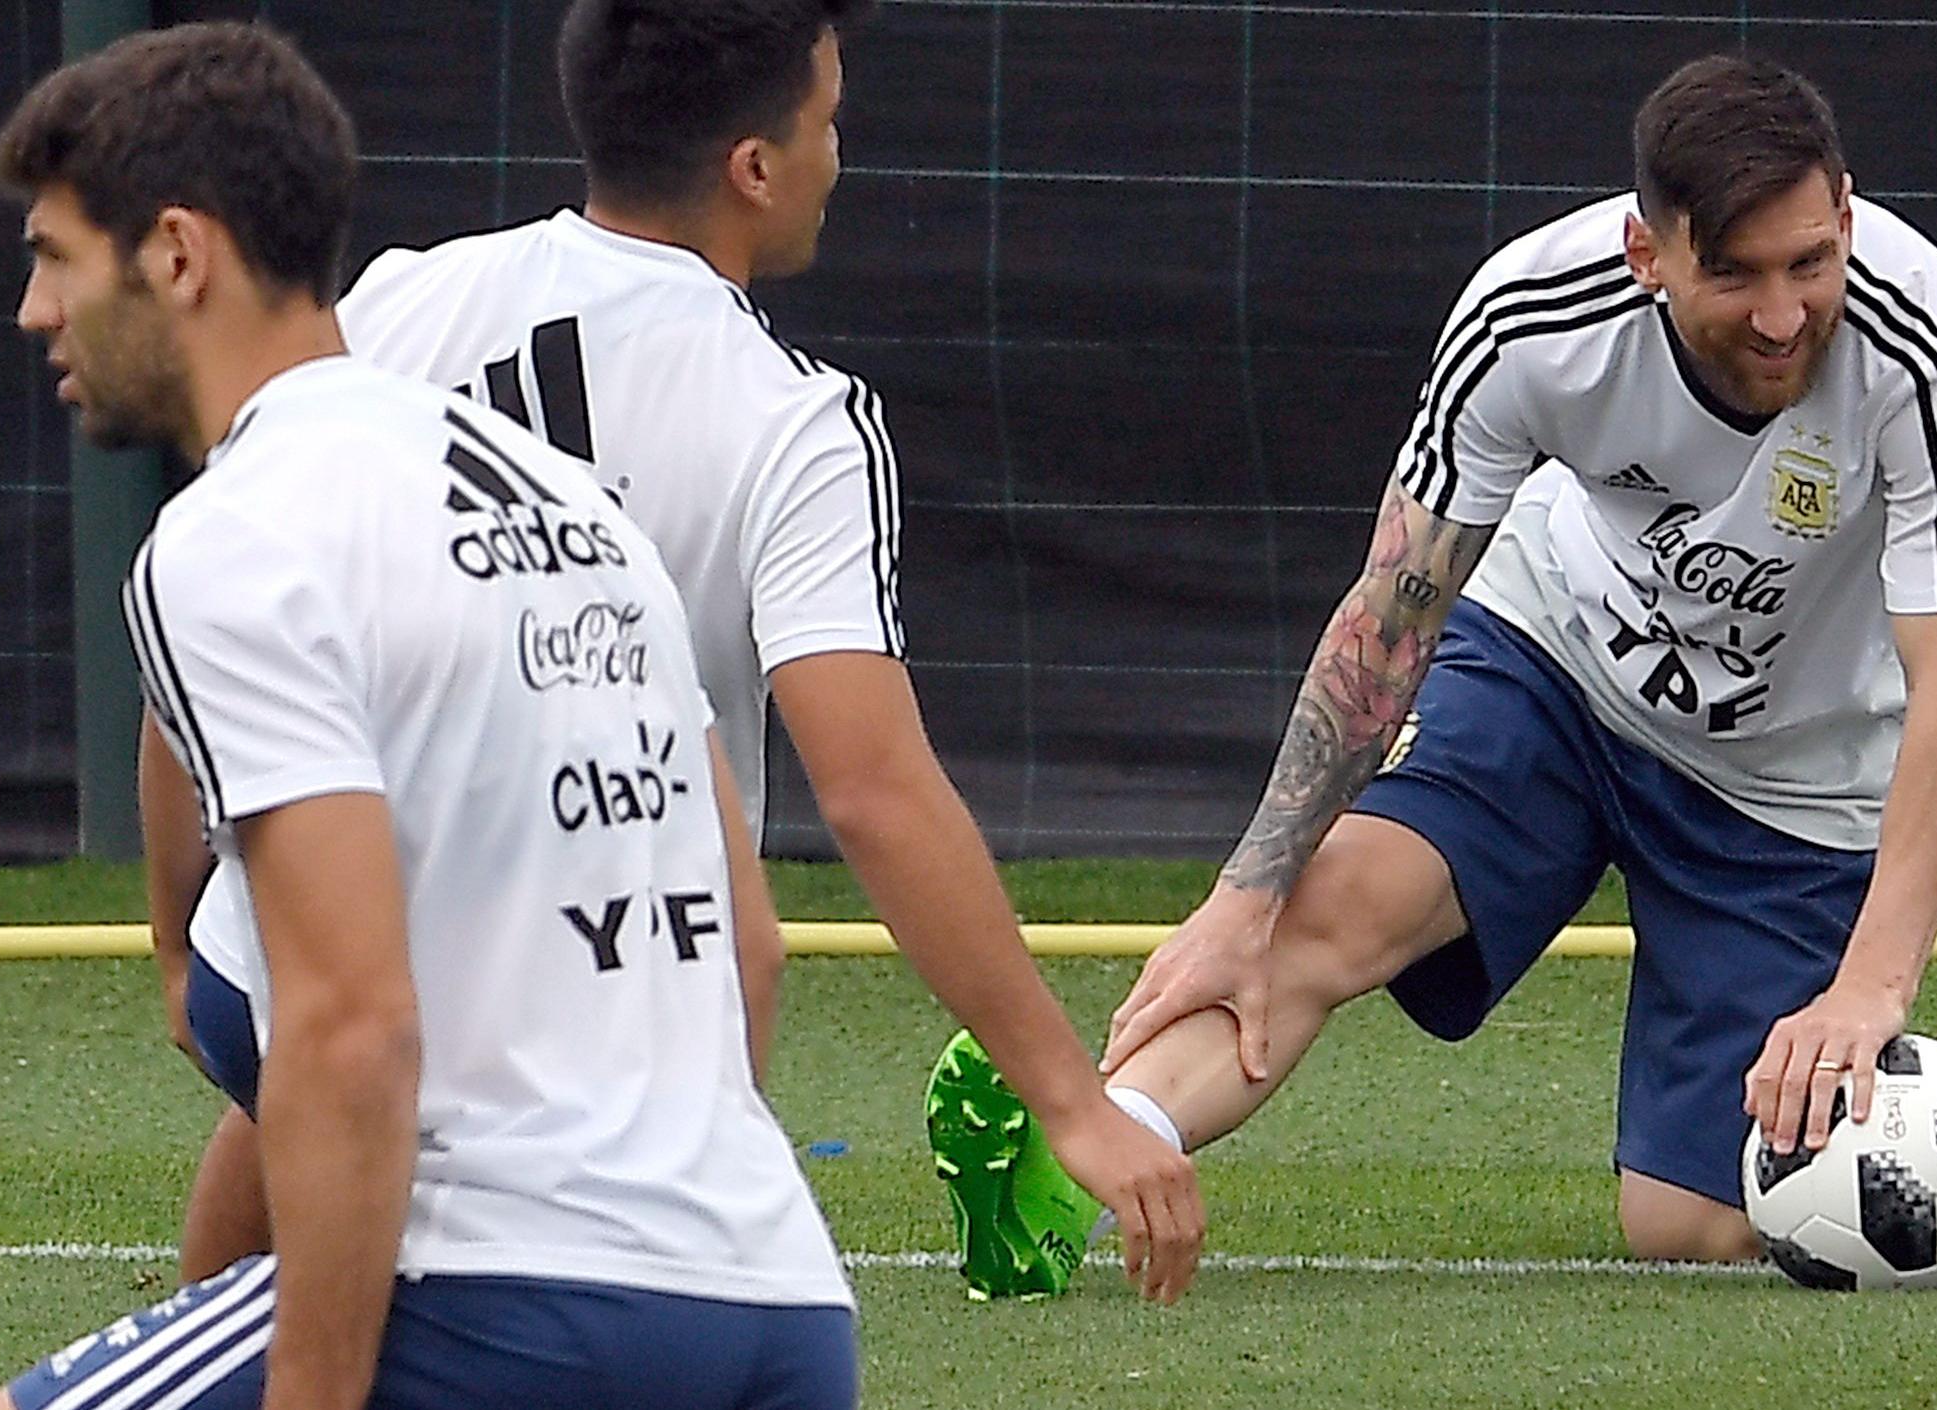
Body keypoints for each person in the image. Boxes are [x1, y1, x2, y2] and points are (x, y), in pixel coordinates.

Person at [156, 0, 1201, 1305]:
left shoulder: (399, 299)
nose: (840, 156)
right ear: (754, 171)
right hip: (573, 1035)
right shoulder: (796, 423)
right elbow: (874, 792)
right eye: (828, 124)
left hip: (288, 977)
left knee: (285, 1193)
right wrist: (1072, 1099)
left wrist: (186, 936)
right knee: (598, 1318)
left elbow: (211, 592)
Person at [929, 51, 1937, 1286]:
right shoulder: (1530, 320)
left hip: (1792, 784)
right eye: (1735, 273)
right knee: (1333, 906)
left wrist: (1869, 995)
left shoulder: (1926, 348)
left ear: (1848, 213)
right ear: (1645, 256)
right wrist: (1243, 900)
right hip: (1551, 662)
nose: (1781, 314)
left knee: (1692, 1226)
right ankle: (1073, 1170)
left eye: (1809, 262)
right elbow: (1390, 616)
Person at [0, 22, 860, 1408]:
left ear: (176, 253)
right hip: (775, 1303)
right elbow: (748, 948)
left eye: (54, 257)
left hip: (510, 1300)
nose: (35, 311)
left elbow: (351, 1027)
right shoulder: (573, 504)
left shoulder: (238, 534)